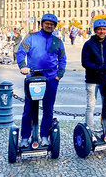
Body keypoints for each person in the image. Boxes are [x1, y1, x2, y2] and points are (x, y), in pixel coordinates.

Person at [16, 13, 67, 148]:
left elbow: (62, 59)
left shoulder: (57, 42)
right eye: (47, 23)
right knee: (28, 108)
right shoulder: (31, 37)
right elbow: (21, 52)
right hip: (33, 76)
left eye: (52, 24)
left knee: (48, 108)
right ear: (42, 24)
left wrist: (59, 74)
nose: (49, 25)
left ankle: (44, 135)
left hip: (51, 77)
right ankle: (25, 137)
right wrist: (23, 66)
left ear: (54, 26)